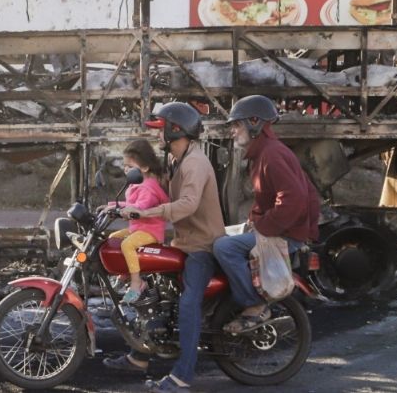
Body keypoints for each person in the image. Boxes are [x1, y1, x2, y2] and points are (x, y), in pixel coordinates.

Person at [102, 102, 226, 393]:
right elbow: (152, 194)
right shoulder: (175, 161)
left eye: (161, 131)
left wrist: (145, 213)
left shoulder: (195, 163)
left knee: (187, 304)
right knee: (156, 294)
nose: (158, 137)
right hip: (182, 242)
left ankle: (182, 376)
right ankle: (139, 356)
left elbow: (187, 205)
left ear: (175, 130)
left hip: (202, 246)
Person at [213, 95, 320, 335]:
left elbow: (293, 199)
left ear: (254, 122)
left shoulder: (272, 154)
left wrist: (263, 228)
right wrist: (253, 222)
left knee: (224, 248)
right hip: (279, 229)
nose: (233, 131)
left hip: (286, 234)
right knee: (219, 237)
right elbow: (269, 200)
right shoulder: (264, 154)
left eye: (237, 124)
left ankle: (254, 305)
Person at [107, 139, 170, 304]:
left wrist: (123, 210)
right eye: (125, 166)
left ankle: (137, 283)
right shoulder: (137, 183)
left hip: (151, 231)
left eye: (130, 167)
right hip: (138, 228)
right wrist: (111, 206)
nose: (126, 170)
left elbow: (140, 207)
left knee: (126, 245)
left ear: (144, 168)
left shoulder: (149, 187)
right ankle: (125, 273)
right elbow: (130, 205)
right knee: (113, 238)